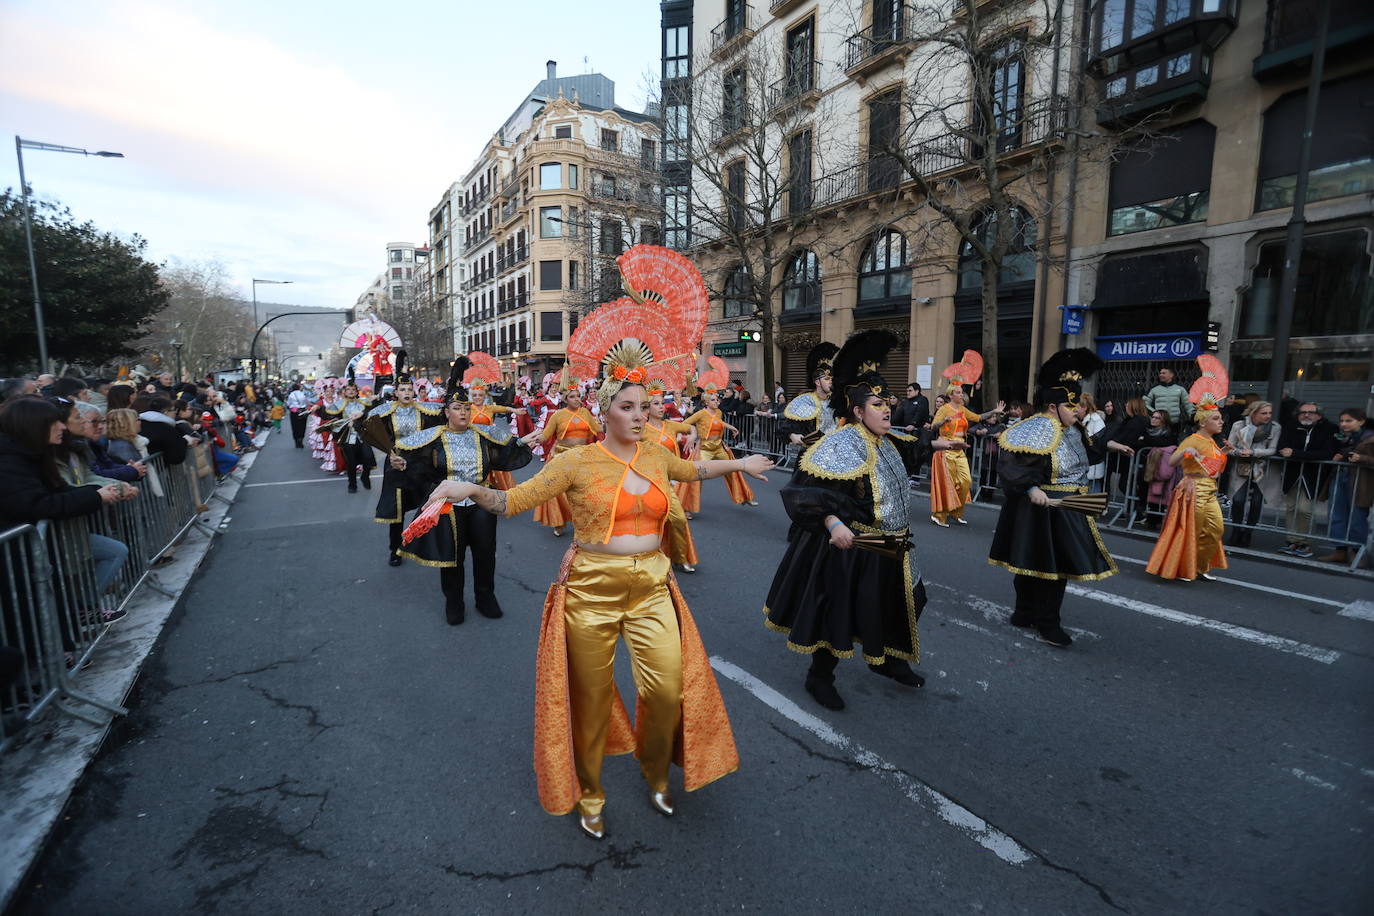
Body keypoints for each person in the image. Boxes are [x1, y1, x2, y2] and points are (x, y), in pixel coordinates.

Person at [421, 338, 758, 841]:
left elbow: (695, 470)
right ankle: (592, 793)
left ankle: (656, 772)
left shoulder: (657, 455)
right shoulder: (576, 462)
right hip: (590, 591)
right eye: (628, 407)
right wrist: (468, 488)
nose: (641, 416)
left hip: (652, 587)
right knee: (591, 701)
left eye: (646, 407)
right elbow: (514, 501)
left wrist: (740, 464)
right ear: (606, 412)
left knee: (667, 692)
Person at [763, 330, 963, 711]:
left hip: (895, 545)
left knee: (910, 599)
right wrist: (833, 524)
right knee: (837, 613)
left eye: (887, 401)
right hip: (853, 548)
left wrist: (941, 443)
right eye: (877, 403)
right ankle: (819, 677)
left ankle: (888, 659)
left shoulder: (886, 439)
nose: (888, 408)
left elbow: (911, 444)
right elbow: (804, 493)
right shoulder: (840, 444)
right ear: (857, 411)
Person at [988, 349, 1134, 648]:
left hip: (1068, 507)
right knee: (1047, 570)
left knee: (1043, 565)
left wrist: (1111, 445)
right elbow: (1011, 466)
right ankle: (1045, 622)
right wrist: (1031, 490)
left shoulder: (1072, 428)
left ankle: (1027, 613)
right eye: (1073, 405)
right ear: (1053, 407)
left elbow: (1085, 452)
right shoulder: (1035, 428)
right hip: (1042, 508)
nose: (1078, 410)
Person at [395, 361, 536, 624]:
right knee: (452, 558)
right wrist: (402, 464)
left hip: (480, 502)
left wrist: (520, 444)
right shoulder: (433, 439)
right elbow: (417, 468)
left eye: (467, 408)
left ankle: (486, 596)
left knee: (485, 553)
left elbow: (501, 457)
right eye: (457, 408)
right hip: (449, 507)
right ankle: (454, 602)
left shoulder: (482, 435)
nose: (464, 412)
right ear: (446, 412)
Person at [0, 398, 135, 609]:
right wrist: (97, 496)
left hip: (46, 548)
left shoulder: (36, 455)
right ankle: (81, 612)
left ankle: (80, 613)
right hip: (26, 557)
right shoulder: (12, 462)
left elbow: (65, 488)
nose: (63, 426)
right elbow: (38, 503)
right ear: (35, 426)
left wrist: (104, 492)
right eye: (56, 422)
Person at [1146, 359, 1230, 581]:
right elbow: (1173, 461)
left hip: (1209, 490)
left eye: (1220, 418)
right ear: (1203, 422)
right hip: (1192, 490)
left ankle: (1200, 566)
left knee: (1215, 530)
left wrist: (1225, 451)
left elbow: (1214, 468)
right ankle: (1186, 567)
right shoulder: (1192, 439)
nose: (1221, 422)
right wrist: (1187, 452)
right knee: (1191, 532)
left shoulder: (1212, 441)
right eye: (1216, 418)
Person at [362, 357, 445, 567]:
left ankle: (429, 546)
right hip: (397, 465)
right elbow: (372, 432)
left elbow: (442, 425)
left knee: (430, 507)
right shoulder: (386, 412)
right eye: (403, 389)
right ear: (396, 392)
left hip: (421, 466)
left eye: (410, 389)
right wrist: (390, 455)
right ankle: (395, 549)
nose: (407, 393)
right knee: (396, 511)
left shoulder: (425, 411)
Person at [929, 353, 1004, 527]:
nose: (961, 395)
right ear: (951, 394)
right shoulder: (945, 409)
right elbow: (933, 426)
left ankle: (956, 513)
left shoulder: (963, 409)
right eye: (958, 392)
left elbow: (978, 417)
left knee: (965, 482)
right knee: (947, 484)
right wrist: (943, 421)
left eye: (961, 392)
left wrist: (994, 411)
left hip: (960, 450)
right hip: (945, 449)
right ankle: (939, 515)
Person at [642, 377, 700, 574]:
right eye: (656, 404)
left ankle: (679, 557)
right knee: (647, 524)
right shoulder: (641, 429)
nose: (661, 407)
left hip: (666, 482)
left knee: (679, 519)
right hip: (645, 483)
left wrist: (692, 437)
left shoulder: (671, 426)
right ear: (647, 408)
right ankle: (647, 559)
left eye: (662, 403)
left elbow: (692, 427)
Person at [535, 376, 603, 536]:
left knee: (586, 491)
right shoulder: (558, 415)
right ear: (565, 399)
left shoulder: (585, 413)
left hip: (582, 457)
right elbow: (546, 435)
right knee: (558, 492)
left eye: (578, 396)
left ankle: (585, 521)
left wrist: (614, 421)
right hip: (561, 456)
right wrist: (532, 439)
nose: (576, 399)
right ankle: (559, 521)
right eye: (572, 396)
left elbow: (598, 429)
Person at [681, 374, 758, 508]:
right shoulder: (700, 413)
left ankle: (744, 496)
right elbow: (685, 424)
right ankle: (688, 507)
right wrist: (692, 434)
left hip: (718, 447)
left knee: (734, 469)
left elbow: (718, 422)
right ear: (706, 402)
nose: (717, 402)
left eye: (717, 399)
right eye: (713, 400)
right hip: (705, 449)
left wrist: (731, 427)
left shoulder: (718, 413)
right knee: (697, 476)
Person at [1276, 402, 1337, 558]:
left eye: (1311, 412)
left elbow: (1326, 453)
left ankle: (1304, 543)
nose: (1306, 415)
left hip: (1313, 475)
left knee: (1305, 509)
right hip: (1292, 474)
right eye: (1303, 412)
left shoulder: (1329, 429)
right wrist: (1291, 453)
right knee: (1291, 508)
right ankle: (1291, 541)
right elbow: (1282, 448)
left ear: (1319, 415)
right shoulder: (1291, 426)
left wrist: (1295, 453)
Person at [1320, 408, 1374, 564]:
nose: (1344, 424)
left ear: (1361, 421)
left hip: (1361, 481)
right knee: (1336, 514)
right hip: (1339, 476)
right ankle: (1340, 550)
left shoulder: (1370, 438)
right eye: (1342, 421)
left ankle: (1358, 553)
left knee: (1357, 517)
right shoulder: (1341, 437)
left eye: (1348, 421)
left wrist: (1361, 458)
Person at [1225, 400, 1280, 548]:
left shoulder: (1274, 428)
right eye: (1264, 413)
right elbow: (1229, 447)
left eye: (1269, 413)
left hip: (1262, 469)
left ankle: (1248, 533)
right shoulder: (1239, 425)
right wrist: (1238, 452)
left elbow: (1273, 449)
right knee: (1238, 500)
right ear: (1253, 413)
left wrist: (1254, 452)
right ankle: (1236, 531)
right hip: (1241, 467)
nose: (1268, 416)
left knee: (1256, 503)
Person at [321, 379, 376, 493]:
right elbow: (327, 414)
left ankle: (365, 476)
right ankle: (352, 484)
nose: (351, 391)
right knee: (351, 462)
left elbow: (373, 411)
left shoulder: (364, 402)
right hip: (347, 437)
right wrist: (318, 409)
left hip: (362, 436)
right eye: (348, 390)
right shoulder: (339, 404)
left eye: (353, 390)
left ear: (357, 392)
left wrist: (374, 402)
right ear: (344, 392)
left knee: (368, 458)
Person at [781, 342, 840, 446]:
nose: (831, 381)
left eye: (832, 379)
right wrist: (792, 435)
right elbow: (784, 428)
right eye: (826, 379)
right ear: (817, 382)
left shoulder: (836, 401)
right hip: (810, 454)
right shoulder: (805, 401)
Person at [1080, 394, 1107, 494]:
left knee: (1092, 494)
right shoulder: (1084, 420)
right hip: (1086, 465)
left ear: (1085, 407)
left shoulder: (1096, 421)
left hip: (1093, 465)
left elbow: (1096, 444)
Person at [286, 383, 311, 448]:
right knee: (302, 426)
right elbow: (307, 403)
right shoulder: (303, 394)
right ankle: (301, 439)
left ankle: (296, 441)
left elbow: (288, 403)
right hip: (303, 411)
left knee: (295, 426)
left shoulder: (291, 395)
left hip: (294, 412)